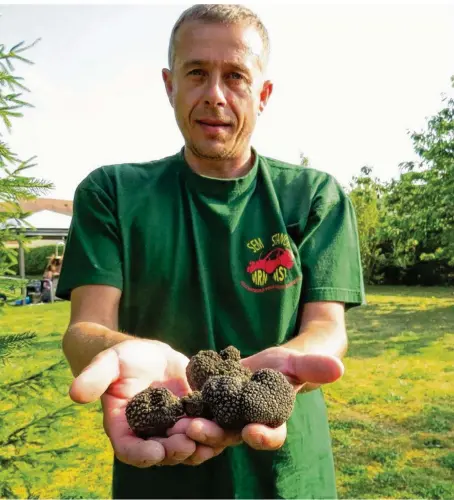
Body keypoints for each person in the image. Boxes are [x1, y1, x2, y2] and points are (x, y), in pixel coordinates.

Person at [56, 4, 365, 499]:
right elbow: (82, 332)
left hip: (288, 473)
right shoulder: (111, 193)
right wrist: (123, 352)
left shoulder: (314, 196)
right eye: (196, 72)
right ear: (169, 84)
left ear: (262, 94)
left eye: (236, 76)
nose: (215, 95)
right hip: (159, 466)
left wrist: (287, 365)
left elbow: (327, 330)